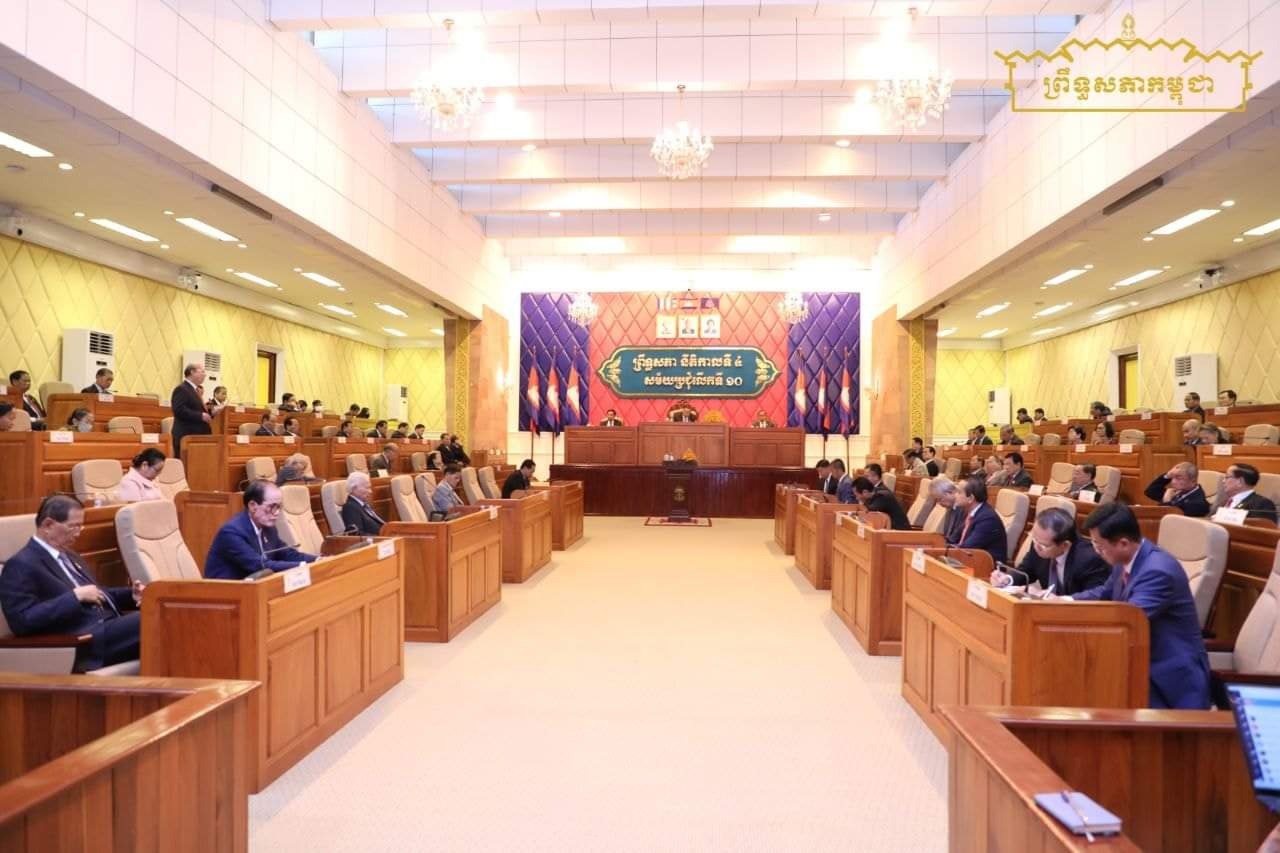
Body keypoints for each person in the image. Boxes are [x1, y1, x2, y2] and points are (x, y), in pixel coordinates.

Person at [1070, 502, 1210, 709]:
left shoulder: (1158, 571)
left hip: (1169, 678)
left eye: (1099, 545)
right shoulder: (1126, 559)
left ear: (1123, 543)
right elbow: (1104, 593)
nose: (1096, 551)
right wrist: (1065, 602)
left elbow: (1127, 621)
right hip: (1140, 663)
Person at [0, 495, 143, 671]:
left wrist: (131, 596)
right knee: (150, 620)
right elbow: (22, 621)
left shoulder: (70, 556)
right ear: (48, 525)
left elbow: (96, 593)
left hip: (107, 630)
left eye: (80, 526)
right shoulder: (21, 564)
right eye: (73, 526)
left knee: (160, 616)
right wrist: (74, 597)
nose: (78, 532)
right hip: (82, 642)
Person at [203, 481, 318, 580]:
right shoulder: (232, 532)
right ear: (253, 506)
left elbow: (286, 553)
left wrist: (317, 560)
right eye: (272, 507)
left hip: (254, 588)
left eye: (279, 507)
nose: (277, 512)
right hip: (225, 592)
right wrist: (302, 565)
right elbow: (259, 565)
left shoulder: (269, 529)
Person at [990, 507, 1110, 595]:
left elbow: (1092, 600)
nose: (1036, 546)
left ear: (1065, 545)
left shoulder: (1089, 559)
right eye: (1034, 538)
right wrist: (1006, 579)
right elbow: (1025, 571)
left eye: (1043, 545)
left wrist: (1049, 598)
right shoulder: (1040, 541)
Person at [955, 477, 1006, 566]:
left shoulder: (988, 519)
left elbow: (967, 548)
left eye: (959, 492)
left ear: (970, 498)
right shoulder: (971, 512)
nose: (955, 495)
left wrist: (944, 550)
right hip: (969, 561)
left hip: (986, 568)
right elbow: (953, 538)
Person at [170, 363, 212, 456]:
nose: (205, 375)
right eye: (202, 372)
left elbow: (197, 409)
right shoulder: (182, 389)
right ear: (192, 372)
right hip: (187, 436)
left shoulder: (195, 390)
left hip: (198, 437)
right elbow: (178, 410)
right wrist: (200, 416)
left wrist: (212, 412)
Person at [1144, 461, 1210, 517]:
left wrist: (1167, 501)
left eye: (1178, 478)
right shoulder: (1179, 491)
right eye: (1172, 477)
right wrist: (1167, 475)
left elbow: (1171, 520)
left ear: (1193, 481)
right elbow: (1150, 491)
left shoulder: (1197, 503)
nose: (1173, 482)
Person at [1213, 463, 1278, 520]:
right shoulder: (1223, 502)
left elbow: (1263, 528)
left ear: (1239, 481)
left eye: (1227, 477)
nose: (1223, 481)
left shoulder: (1262, 504)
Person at [931, 478, 965, 544]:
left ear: (951, 492)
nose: (939, 503)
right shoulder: (950, 508)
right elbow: (947, 535)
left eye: (940, 499)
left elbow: (957, 538)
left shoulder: (964, 508)